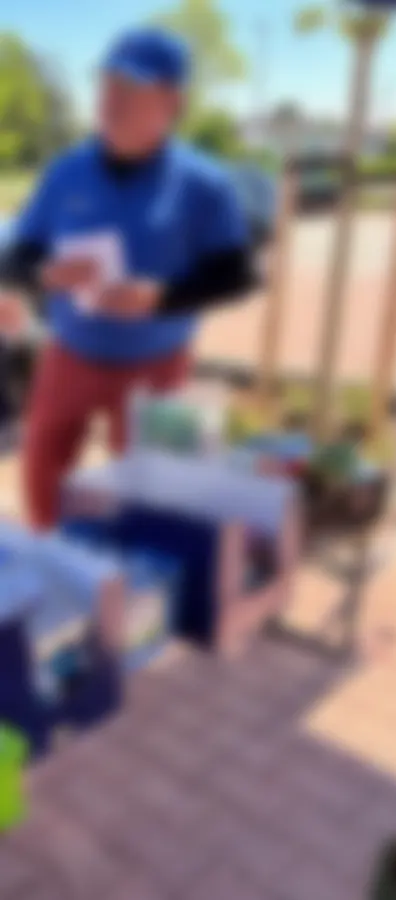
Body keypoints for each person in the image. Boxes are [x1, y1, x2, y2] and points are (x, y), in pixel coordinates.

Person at [0, 27, 257, 529]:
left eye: (131, 89)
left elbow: (236, 276)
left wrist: (161, 299)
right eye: (108, 86)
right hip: (69, 354)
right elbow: (17, 257)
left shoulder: (203, 184)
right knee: (43, 473)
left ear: (171, 102)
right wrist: (43, 273)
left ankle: (132, 584)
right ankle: (58, 567)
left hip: (156, 366)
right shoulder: (67, 173)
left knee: (149, 493)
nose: (112, 101)